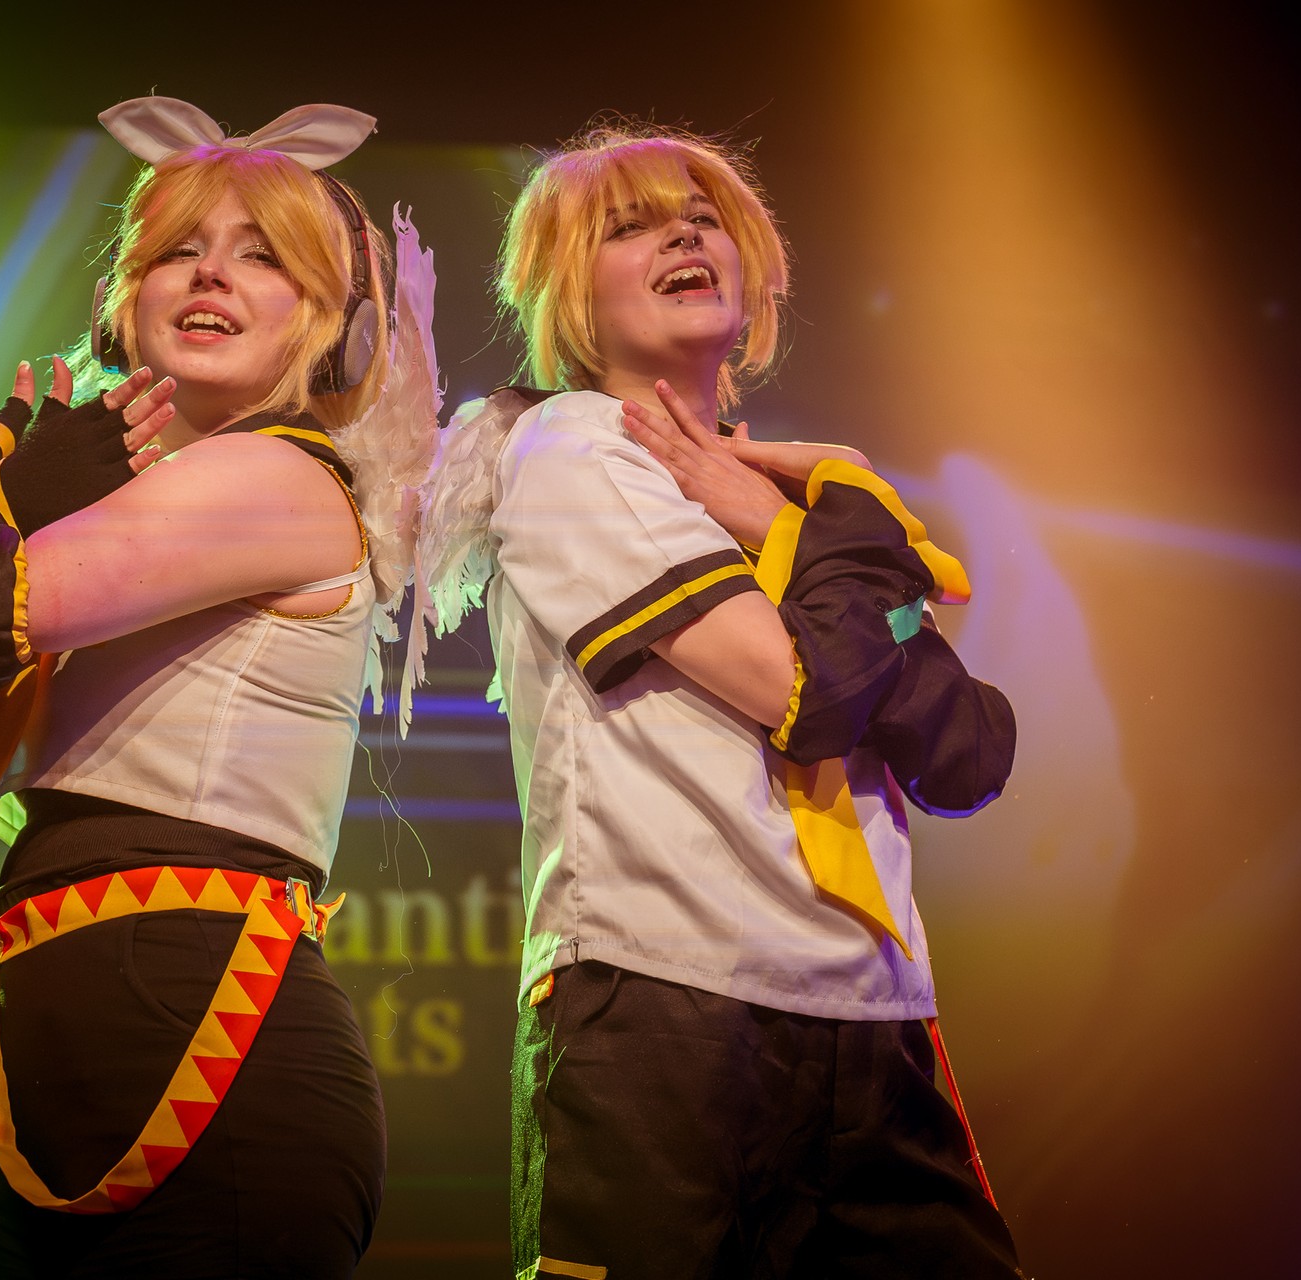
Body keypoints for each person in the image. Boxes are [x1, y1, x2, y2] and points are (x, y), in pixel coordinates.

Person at [0, 96, 438, 1278]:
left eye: (263, 256)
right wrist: (11, 508)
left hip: (210, 1055)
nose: (211, 273)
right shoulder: (111, 506)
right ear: (125, 300)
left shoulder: (273, 479)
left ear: (329, 326)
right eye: (179, 249)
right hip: (59, 1049)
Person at [408, 124, 1021, 1278]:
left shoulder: (787, 496)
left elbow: (970, 750)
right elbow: (807, 696)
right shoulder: (571, 450)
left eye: (702, 218)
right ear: (565, 286)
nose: (683, 235)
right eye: (631, 225)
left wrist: (790, 522)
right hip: (666, 1002)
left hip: (875, 1011)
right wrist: (840, 530)